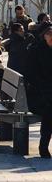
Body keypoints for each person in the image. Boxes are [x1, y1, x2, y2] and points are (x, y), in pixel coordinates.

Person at [26, 25, 52, 158]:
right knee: (50, 111)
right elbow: (31, 75)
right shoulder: (36, 50)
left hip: (48, 94)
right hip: (37, 95)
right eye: (50, 34)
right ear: (44, 36)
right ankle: (43, 146)